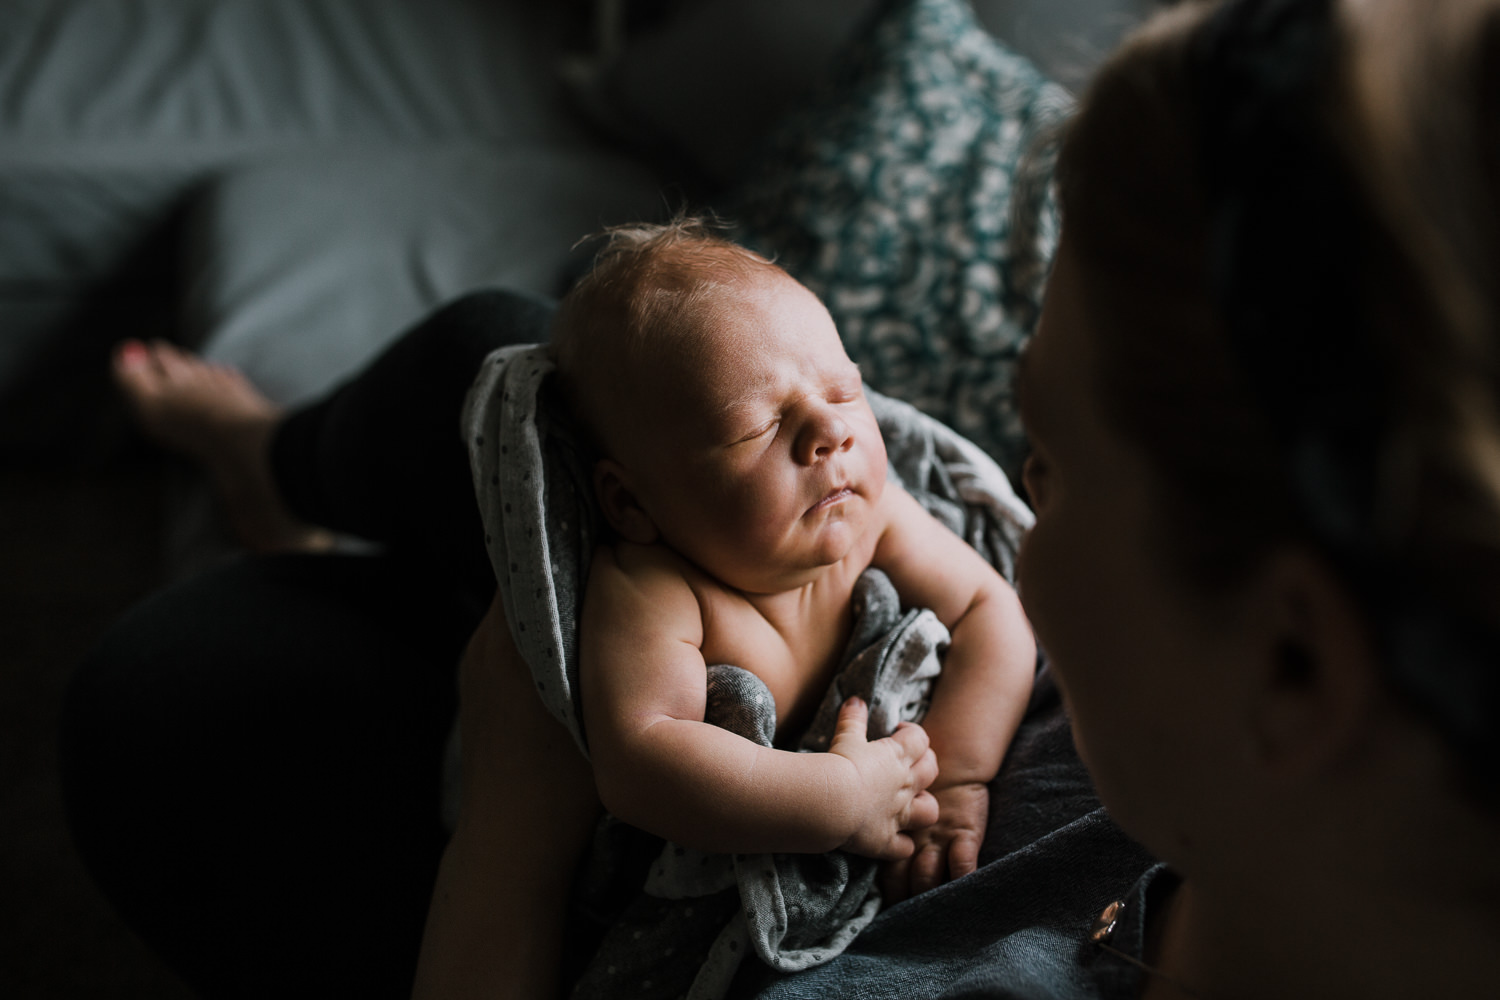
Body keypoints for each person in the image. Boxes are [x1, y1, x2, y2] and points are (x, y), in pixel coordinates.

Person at [63, 0, 1500, 996]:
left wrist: (514, 798)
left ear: (1298, 659)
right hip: (693, 644)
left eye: (1044, 468)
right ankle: (278, 462)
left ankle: (286, 481)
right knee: (498, 347)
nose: (1003, 498)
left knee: (178, 696)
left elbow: (947, 626)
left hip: (646, 823)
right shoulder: (1269, 796)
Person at [547, 222, 1034, 882]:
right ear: (631, 504)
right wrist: (838, 799)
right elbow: (640, 764)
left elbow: (991, 610)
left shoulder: (873, 518)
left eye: (845, 392)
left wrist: (958, 774)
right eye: (758, 426)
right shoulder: (657, 589)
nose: (832, 431)